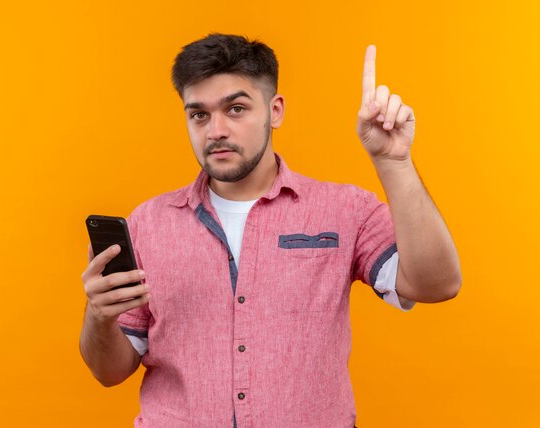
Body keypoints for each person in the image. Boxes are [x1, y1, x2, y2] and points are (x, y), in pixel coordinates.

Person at [79, 33, 462, 428]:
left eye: (236, 109)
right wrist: (99, 316)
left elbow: (437, 284)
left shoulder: (344, 210)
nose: (216, 131)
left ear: (274, 110)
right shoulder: (148, 223)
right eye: (199, 115)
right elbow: (109, 372)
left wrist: (393, 162)